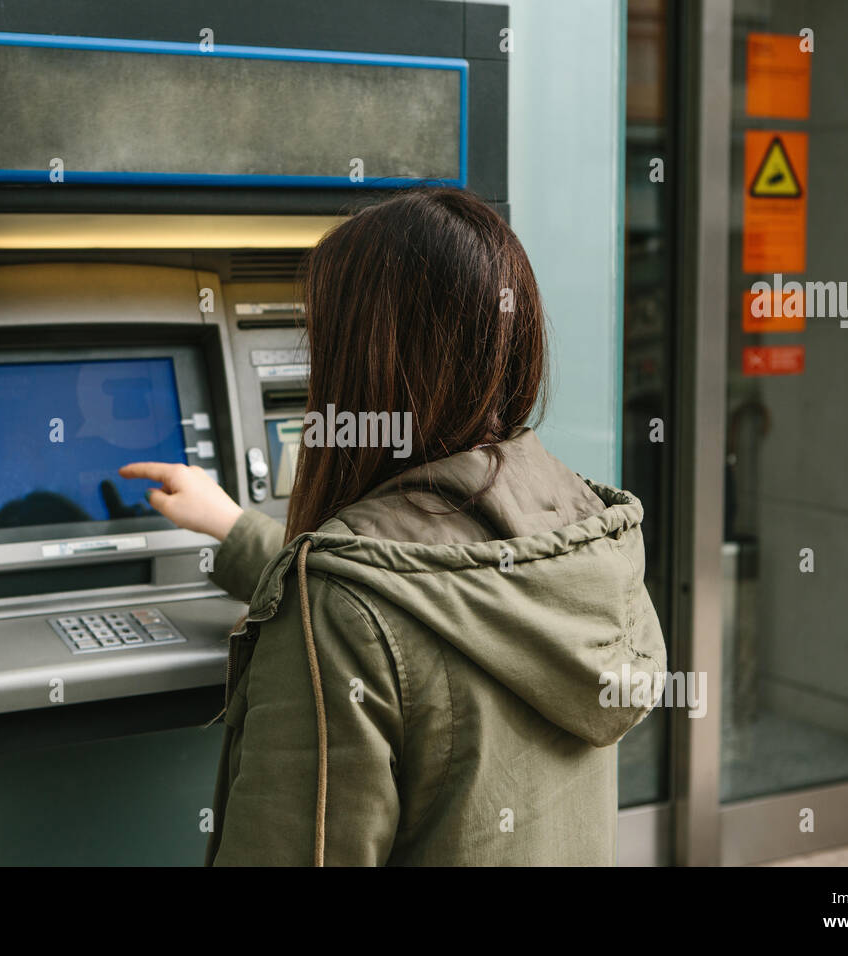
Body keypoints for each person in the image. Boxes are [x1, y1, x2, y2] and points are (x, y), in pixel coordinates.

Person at [119, 187, 666, 866]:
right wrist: (235, 527)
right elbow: (428, 581)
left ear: (359, 364)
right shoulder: (580, 532)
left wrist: (306, 585)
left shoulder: (337, 613)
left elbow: (372, 604)